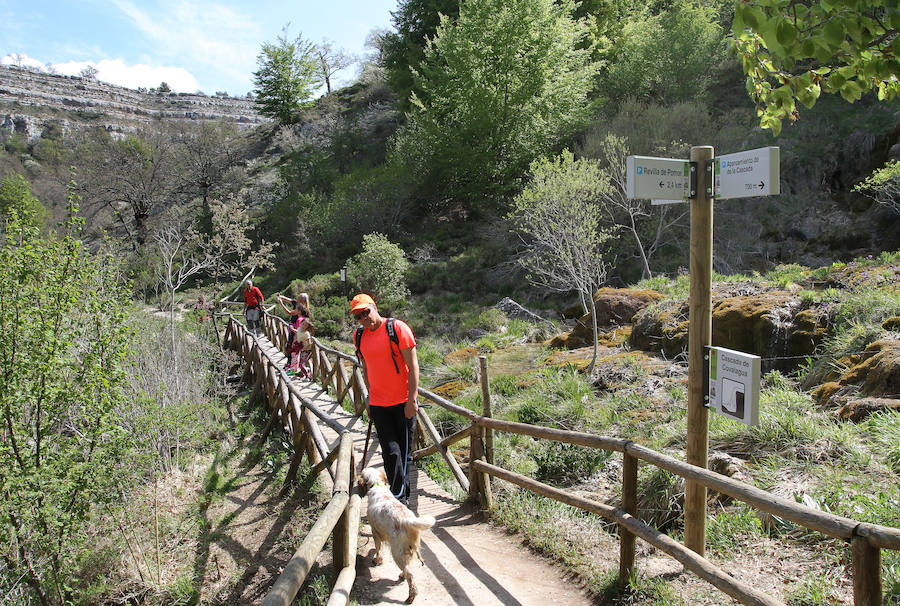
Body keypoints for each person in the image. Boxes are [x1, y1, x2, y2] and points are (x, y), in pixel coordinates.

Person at [351, 293, 419, 504]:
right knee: (390, 453)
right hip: (379, 403)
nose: (364, 319)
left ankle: (400, 497)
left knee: (403, 453)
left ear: (374, 306)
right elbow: (366, 368)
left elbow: (413, 366)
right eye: (358, 317)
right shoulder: (359, 336)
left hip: (402, 402)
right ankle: (398, 497)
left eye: (365, 312)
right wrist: (369, 398)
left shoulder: (398, 329)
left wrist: (412, 399)